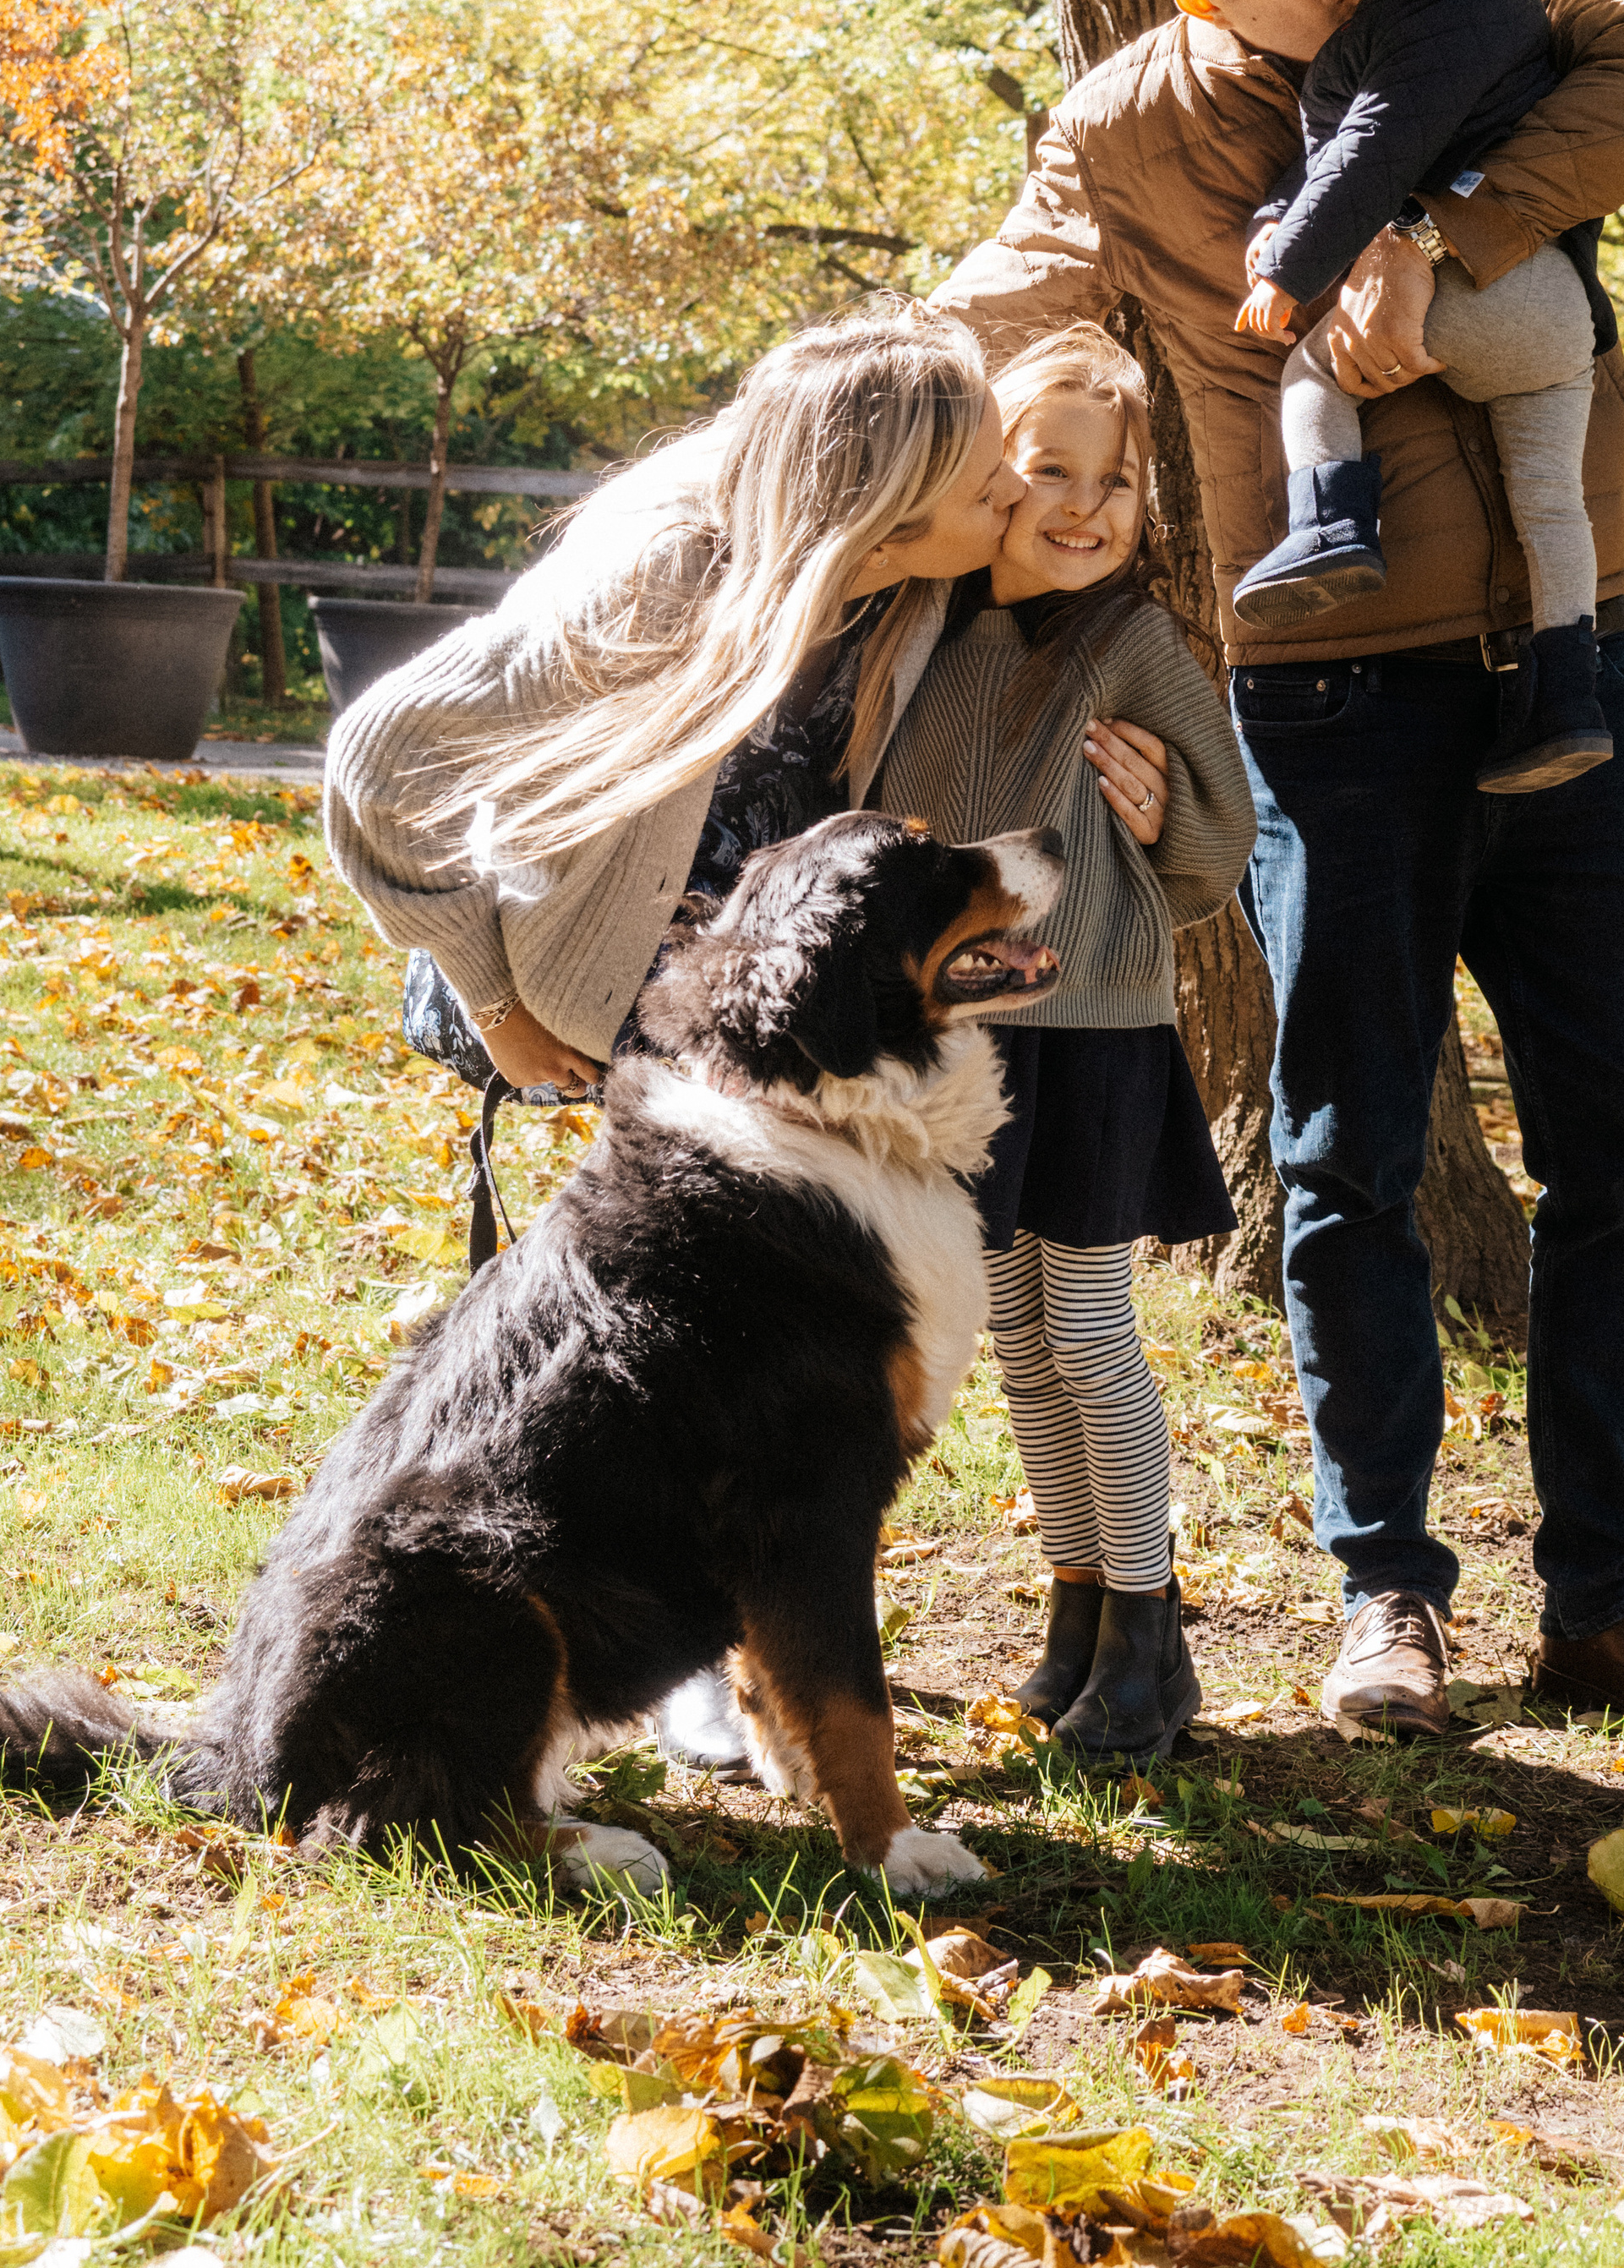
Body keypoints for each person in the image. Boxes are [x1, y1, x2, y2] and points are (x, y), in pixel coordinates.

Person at [936, 0, 1624, 1755]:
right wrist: (792, 429)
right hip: (1333, 709)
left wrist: (1431, 228)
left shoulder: (1495, 4)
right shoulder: (1125, 131)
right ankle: (1384, 1592)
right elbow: (988, 302)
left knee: (1623, 1155)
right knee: (1344, 1159)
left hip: (1576, 669)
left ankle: (1606, 1600)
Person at [322, 298, 1173, 1773]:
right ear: (889, 499)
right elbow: (377, 763)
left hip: (756, 976)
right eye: (988, 476)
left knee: (725, 1349)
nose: (1010, 491)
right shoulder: (665, 573)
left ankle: (714, 1645)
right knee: (613, 1342)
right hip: (578, 982)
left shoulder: (903, 581)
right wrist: (491, 994)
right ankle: (594, 1656)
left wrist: (1165, 788)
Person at [878, 327, 1255, 1764]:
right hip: (971, 1043)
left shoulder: (1132, 644)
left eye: (1117, 480)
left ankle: (1154, 1638)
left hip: (1096, 1026)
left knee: (1090, 1329)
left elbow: (1220, 834)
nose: (1085, 505)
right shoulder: (928, 627)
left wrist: (1161, 822)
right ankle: (1079, 1608)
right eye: (1050, 470)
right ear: (994, 478)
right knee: (1019, 1337)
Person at [1231, 0, 1610, 797]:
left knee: (1313, 376)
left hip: (1475, 282)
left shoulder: (1437, 15)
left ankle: (1328, 529)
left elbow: (1368, 149)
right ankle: (1566, 700)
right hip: (1554, 313)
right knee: (1551, 502)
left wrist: (1286, 267)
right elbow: (1342, 153)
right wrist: (1278, 211)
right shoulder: (1495, 9)